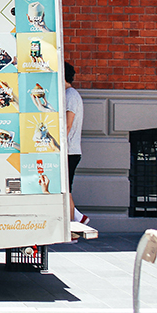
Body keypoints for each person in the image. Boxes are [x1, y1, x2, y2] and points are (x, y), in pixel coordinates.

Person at [65, 62, 88, 224]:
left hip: (68, 151)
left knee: (66, 191)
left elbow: (67, 124)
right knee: (65, 189)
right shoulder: (69, 94)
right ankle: (79, 218)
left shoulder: (70, 95)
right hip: (69, 150)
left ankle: (74, 225)